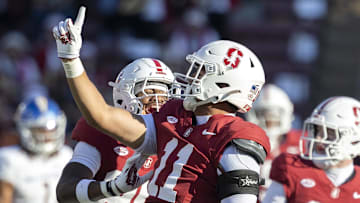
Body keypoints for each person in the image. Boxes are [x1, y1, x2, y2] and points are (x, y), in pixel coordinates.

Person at [52, 6, 270, 202]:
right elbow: (101, 116)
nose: (190, 77)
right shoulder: (174, 117)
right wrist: (71, 60)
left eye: (200, 71)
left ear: (224, 84)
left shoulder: (236, 138)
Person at [56, 57, 175, 203]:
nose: (158, 103)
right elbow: (65, 192)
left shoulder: (174, 141)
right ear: (125, 95)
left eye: (164, 97)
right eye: (149, 92)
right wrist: (111, 188)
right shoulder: (102, 134)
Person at [262, 96, 360, 203]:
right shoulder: (292, 169)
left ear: (354, 140)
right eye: (317, 130)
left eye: (330, 133)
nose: (318, 139)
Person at [0, 96, 73, 203]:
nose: (47, 136)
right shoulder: (9, 159)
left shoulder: (66, 155)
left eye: (51, 130)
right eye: (40, 130)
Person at [245, 84, 301, 200]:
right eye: (263, 113)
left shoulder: (302, 143)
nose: (269, 119)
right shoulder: (244, 143)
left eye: (274, 114)